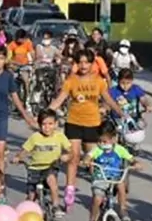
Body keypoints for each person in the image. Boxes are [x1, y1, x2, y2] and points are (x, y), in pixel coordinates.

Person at [49, 49, 127, 212]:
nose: (83, 65)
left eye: (87, 62)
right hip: (74, 122)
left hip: (93, 124)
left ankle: (99, 189)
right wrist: (47, 112)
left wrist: (120, 112)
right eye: (80, 62)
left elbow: (107, 99)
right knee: (74, 157)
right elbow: (60, 99)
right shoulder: (71, 80)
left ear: (92, 64)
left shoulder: (99, 81)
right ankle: (70, 189)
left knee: (94, 160)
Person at [0, 46, 38, 172]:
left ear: (5, 60)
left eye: (1, 58)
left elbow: (15, 98)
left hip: (1, 118)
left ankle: (0, 183)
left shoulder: (8, 76)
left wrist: (27, 117)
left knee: (0, 153)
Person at [84, 121, 141, 221]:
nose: (102, 144)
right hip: (100, 178)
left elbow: (130, 158)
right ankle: (92, 219)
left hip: (115, 178)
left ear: (114, 139)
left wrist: (136, 163)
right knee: (97, 199)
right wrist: (86, 160)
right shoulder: (97, 150)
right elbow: (89, 156)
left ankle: (123, 210)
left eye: (105, 141)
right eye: (99, 141)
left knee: (121, 185)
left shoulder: (119, 150)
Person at [14, 109, 71, 217]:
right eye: (44, 124)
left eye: (50, 124)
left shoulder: (59, 136)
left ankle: (55, 205)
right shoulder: (35, 137)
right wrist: (18, 157)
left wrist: (67, 155)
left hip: (51, 166)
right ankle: (25, 212)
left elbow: (70, 150)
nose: (47, 127)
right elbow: (25, 150)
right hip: (34, 168)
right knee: (31, 195)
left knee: (52, 181)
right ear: (39, 125)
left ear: (56, 124)